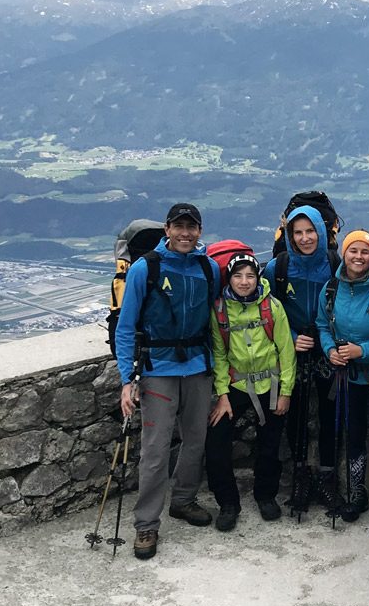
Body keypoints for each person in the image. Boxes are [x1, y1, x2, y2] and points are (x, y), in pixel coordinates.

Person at [114, 202, 220, 560]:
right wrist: (127, 378)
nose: (186, 233)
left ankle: (184, 500)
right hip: (158, 369)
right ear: (167, 229)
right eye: (179, 227)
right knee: (156, 450)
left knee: (196, 440)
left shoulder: (209, 268)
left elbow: (217, 320)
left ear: (200, 231)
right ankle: (146, 524)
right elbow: (127, 326)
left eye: (192, 227)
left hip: (198, 367)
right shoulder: (147, 268)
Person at [316, 230, 369, 526]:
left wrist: (360, 351)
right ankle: (357, 494)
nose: (358, 257)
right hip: (347, 377)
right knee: (353, 436)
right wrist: (330, 350)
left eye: (365, 252)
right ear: (344, 253)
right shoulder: (331, 289)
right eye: (353, 251)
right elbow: (322, 325)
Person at [204, 252, 297, 531]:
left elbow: (286, 351)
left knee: (270, 444)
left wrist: (285, 392)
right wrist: (222, 395)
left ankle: (265, 496)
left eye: (250, 275)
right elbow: (219, 355)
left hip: (271, 384)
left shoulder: (272, 307)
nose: (244, 282)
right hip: (236, 385)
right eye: (237, 275)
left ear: (258, 278)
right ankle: (228, 503)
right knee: (216, 441)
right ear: (229, 278)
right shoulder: (220, 311)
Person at [263, 204, 342, 511]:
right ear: (289, 236)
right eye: (298, 233)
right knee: (294, 417)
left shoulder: (334, 264)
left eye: (311, 231)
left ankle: (326, 476)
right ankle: (301, 476)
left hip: (327, 352)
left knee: (329, 415)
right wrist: (293, 338)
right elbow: (267, 313)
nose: (305, 238)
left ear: (321, 232)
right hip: (292, 353)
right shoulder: (277, 269)